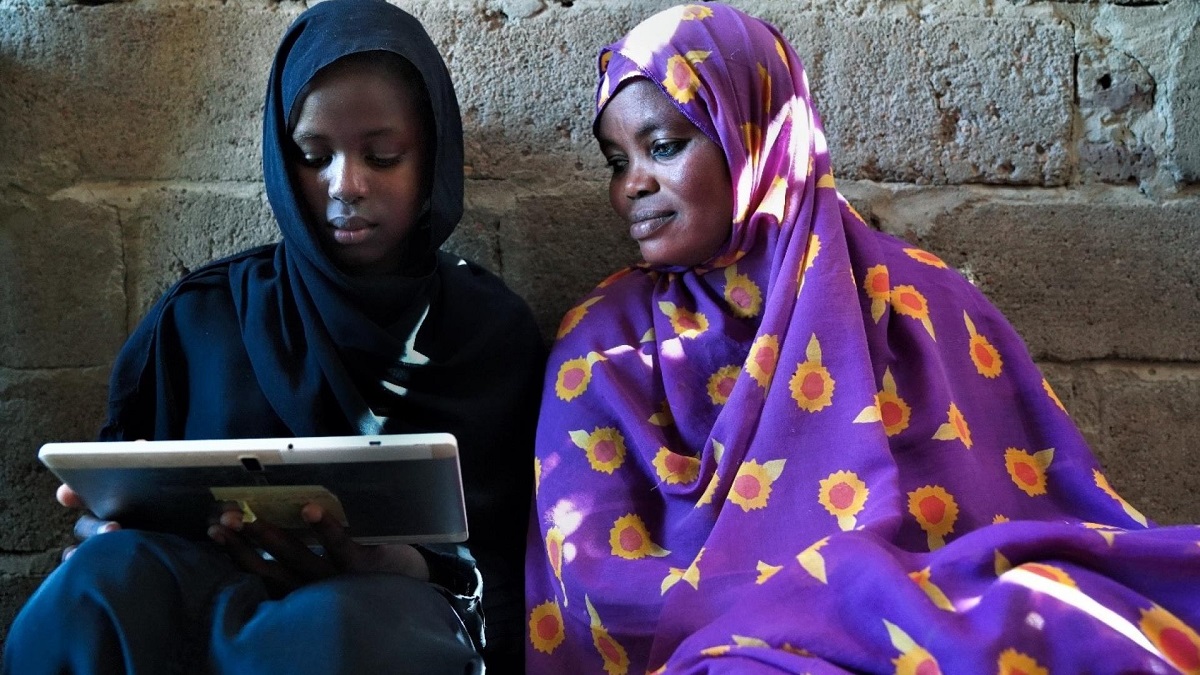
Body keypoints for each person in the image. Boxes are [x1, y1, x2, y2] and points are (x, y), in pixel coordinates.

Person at [525, 4, 1200, 673]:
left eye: (664, 146)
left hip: (929, 616)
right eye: (618, 161)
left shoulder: (917, 296)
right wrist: (815, 598)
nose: (632, 185)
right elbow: (593, 578)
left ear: (752, 136)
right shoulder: (603, 342)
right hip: (730, 650)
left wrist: (876, 597)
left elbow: (1019, 511)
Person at [4, 0, 544, 672]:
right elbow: (129, 503)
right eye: (313, 157)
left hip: (384, 614)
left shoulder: (487, 334)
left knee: (347, 632)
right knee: (91, 590)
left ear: (433, 155)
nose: (345, 185)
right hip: (202, 595)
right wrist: (102, 532)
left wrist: (392, 560)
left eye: (382, 155)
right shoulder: (204, 314)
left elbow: (525, 567)